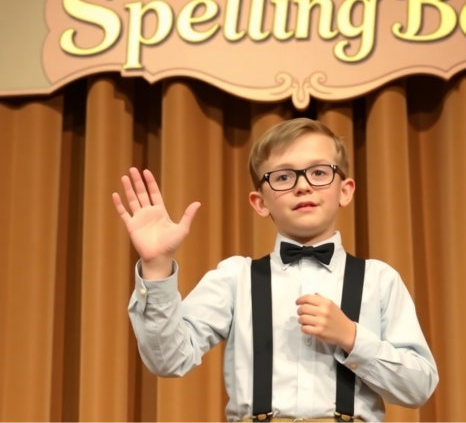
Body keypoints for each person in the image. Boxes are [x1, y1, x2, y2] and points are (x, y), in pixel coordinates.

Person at [113, 118, 438, 422]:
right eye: (283, 177)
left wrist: (352, 338)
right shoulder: (234, 278)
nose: (303, 186)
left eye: (319, 172)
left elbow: (418, 387)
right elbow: (168, 359)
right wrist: (156, 265)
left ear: (345, 190)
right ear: (260, 202)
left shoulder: (379, 280)